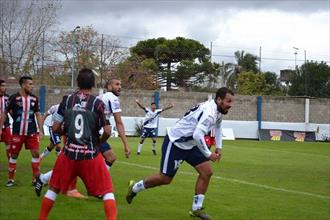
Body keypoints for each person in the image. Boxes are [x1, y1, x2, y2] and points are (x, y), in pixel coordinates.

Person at [126, 87, 234, 220]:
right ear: (219, 100)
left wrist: (219, 147)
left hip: (191, 144)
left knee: (207, 172)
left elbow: (218, 126)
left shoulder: (216, 110)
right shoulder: (210, 112)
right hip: (176, 142)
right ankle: (135, 187)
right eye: (228, 101)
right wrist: (208, 154)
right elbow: (197, 134)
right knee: (165, 178)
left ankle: (196, 209)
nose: (230, 105)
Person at [38, 68, 116, 220]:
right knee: (107, 192)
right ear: (93, 84)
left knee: (53, 189)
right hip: (90, 156)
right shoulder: (98, 103)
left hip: (68, 155)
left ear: (77, 83)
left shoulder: (67, 100)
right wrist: (98, 143)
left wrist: (65, 132)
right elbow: (107, 130)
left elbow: (55, 128)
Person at [0, 76, 44, 187]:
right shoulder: (13, 98)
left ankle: (35, 180)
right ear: (23, 85)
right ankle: (11, 180)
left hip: (31, 132)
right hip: (17, 132)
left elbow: (38, 114)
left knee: (36, 153)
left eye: (32, 84)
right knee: (14, 155)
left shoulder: (34, 99)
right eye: (30, 84)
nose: (32, 86)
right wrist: (0, 128)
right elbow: (5, 113)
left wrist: (41, 130)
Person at [99, 78, 131, 168]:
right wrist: (126, 145)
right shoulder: (113, 98)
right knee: (111, 157)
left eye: (120, 85)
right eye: (117, 84)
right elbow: (119, 122)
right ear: (109, 86)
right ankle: (99, 180)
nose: (120, 87)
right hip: (93, 130)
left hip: (88, 129)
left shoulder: (102, 96)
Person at [0, 79, 12, 160]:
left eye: (5, 86)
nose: (5, 87)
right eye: (3, 86)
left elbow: (11, 111)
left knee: (9, 144)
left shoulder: (8, 98)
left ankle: (11, 164)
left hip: (6, 124)